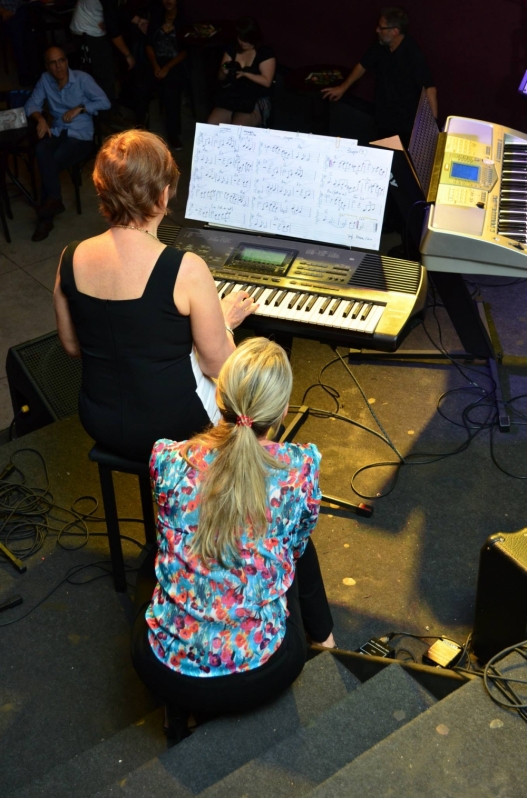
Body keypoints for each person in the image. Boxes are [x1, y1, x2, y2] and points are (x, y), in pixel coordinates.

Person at [131, 337, 335, 740]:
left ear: (218, 393)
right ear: (283, 412)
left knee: (153, 553)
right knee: (298, 545)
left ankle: (178, 711)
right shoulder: (298, 469)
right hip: (262, 673)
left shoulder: (168, 460)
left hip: (163, 672)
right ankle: (325, 640)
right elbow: (293, 550)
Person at [53, 129, 257, 461]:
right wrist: (225, 323)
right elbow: (217, 364)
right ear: (163, 195)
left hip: (98, 419)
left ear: (102, 191)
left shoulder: (69, 258)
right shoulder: (185, 269)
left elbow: (73, 346)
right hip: (177, 426)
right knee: (254, 399)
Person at [24, 47, 111, 242]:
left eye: (62, 60)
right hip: (57, 131)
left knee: (50, 161)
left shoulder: (82, 79)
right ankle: (54, 201)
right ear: (47, 66)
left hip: (80, 136)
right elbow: (31, 104)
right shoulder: (45, 79)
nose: (59, 66)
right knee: (41, 149)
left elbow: (105, 102)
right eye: (53, 63)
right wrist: (40, 119)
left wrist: (80, 108)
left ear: (66, 61)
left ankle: (46, 215)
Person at [321, 7, 437, 147]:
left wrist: (432, 127)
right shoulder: (381, 46)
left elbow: (430, 89)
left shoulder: (412, 54)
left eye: (381, 28)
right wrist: (342, 88)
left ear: (395, 31)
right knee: (379, 148)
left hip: (404, 122)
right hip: (383, 115)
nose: (377, 30)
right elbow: (362, 65)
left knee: (397, 158)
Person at [208, 17, 275, 128]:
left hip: (255, 97)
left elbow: (267, 81)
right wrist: (224, 69)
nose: (243, 42)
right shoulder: (232, 48)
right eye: (240, 38)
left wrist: (245, 74)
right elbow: (220, 76)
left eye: (246, 39)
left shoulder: (264, 52)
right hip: (233, 95)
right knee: (212, 125)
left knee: (237, 128)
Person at [138, 0, 188, 151]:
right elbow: (148, 45)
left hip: (174, 63)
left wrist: (166, 67)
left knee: (171, 89)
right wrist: (155, 66)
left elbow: (185, 51)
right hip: (156, 62)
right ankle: (140, 130)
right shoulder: (157, 17)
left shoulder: (183, 21)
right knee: (140, 86)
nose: (168, 1)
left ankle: (173, 134)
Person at [70, 0, 137, 104]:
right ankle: (105, 114)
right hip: (87, 30)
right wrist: (128, 55)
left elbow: (115, 9)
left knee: (104, 73)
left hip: (91, 25)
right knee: (103, 76)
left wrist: (137, 20)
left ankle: (106, 109)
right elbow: (113, 30)